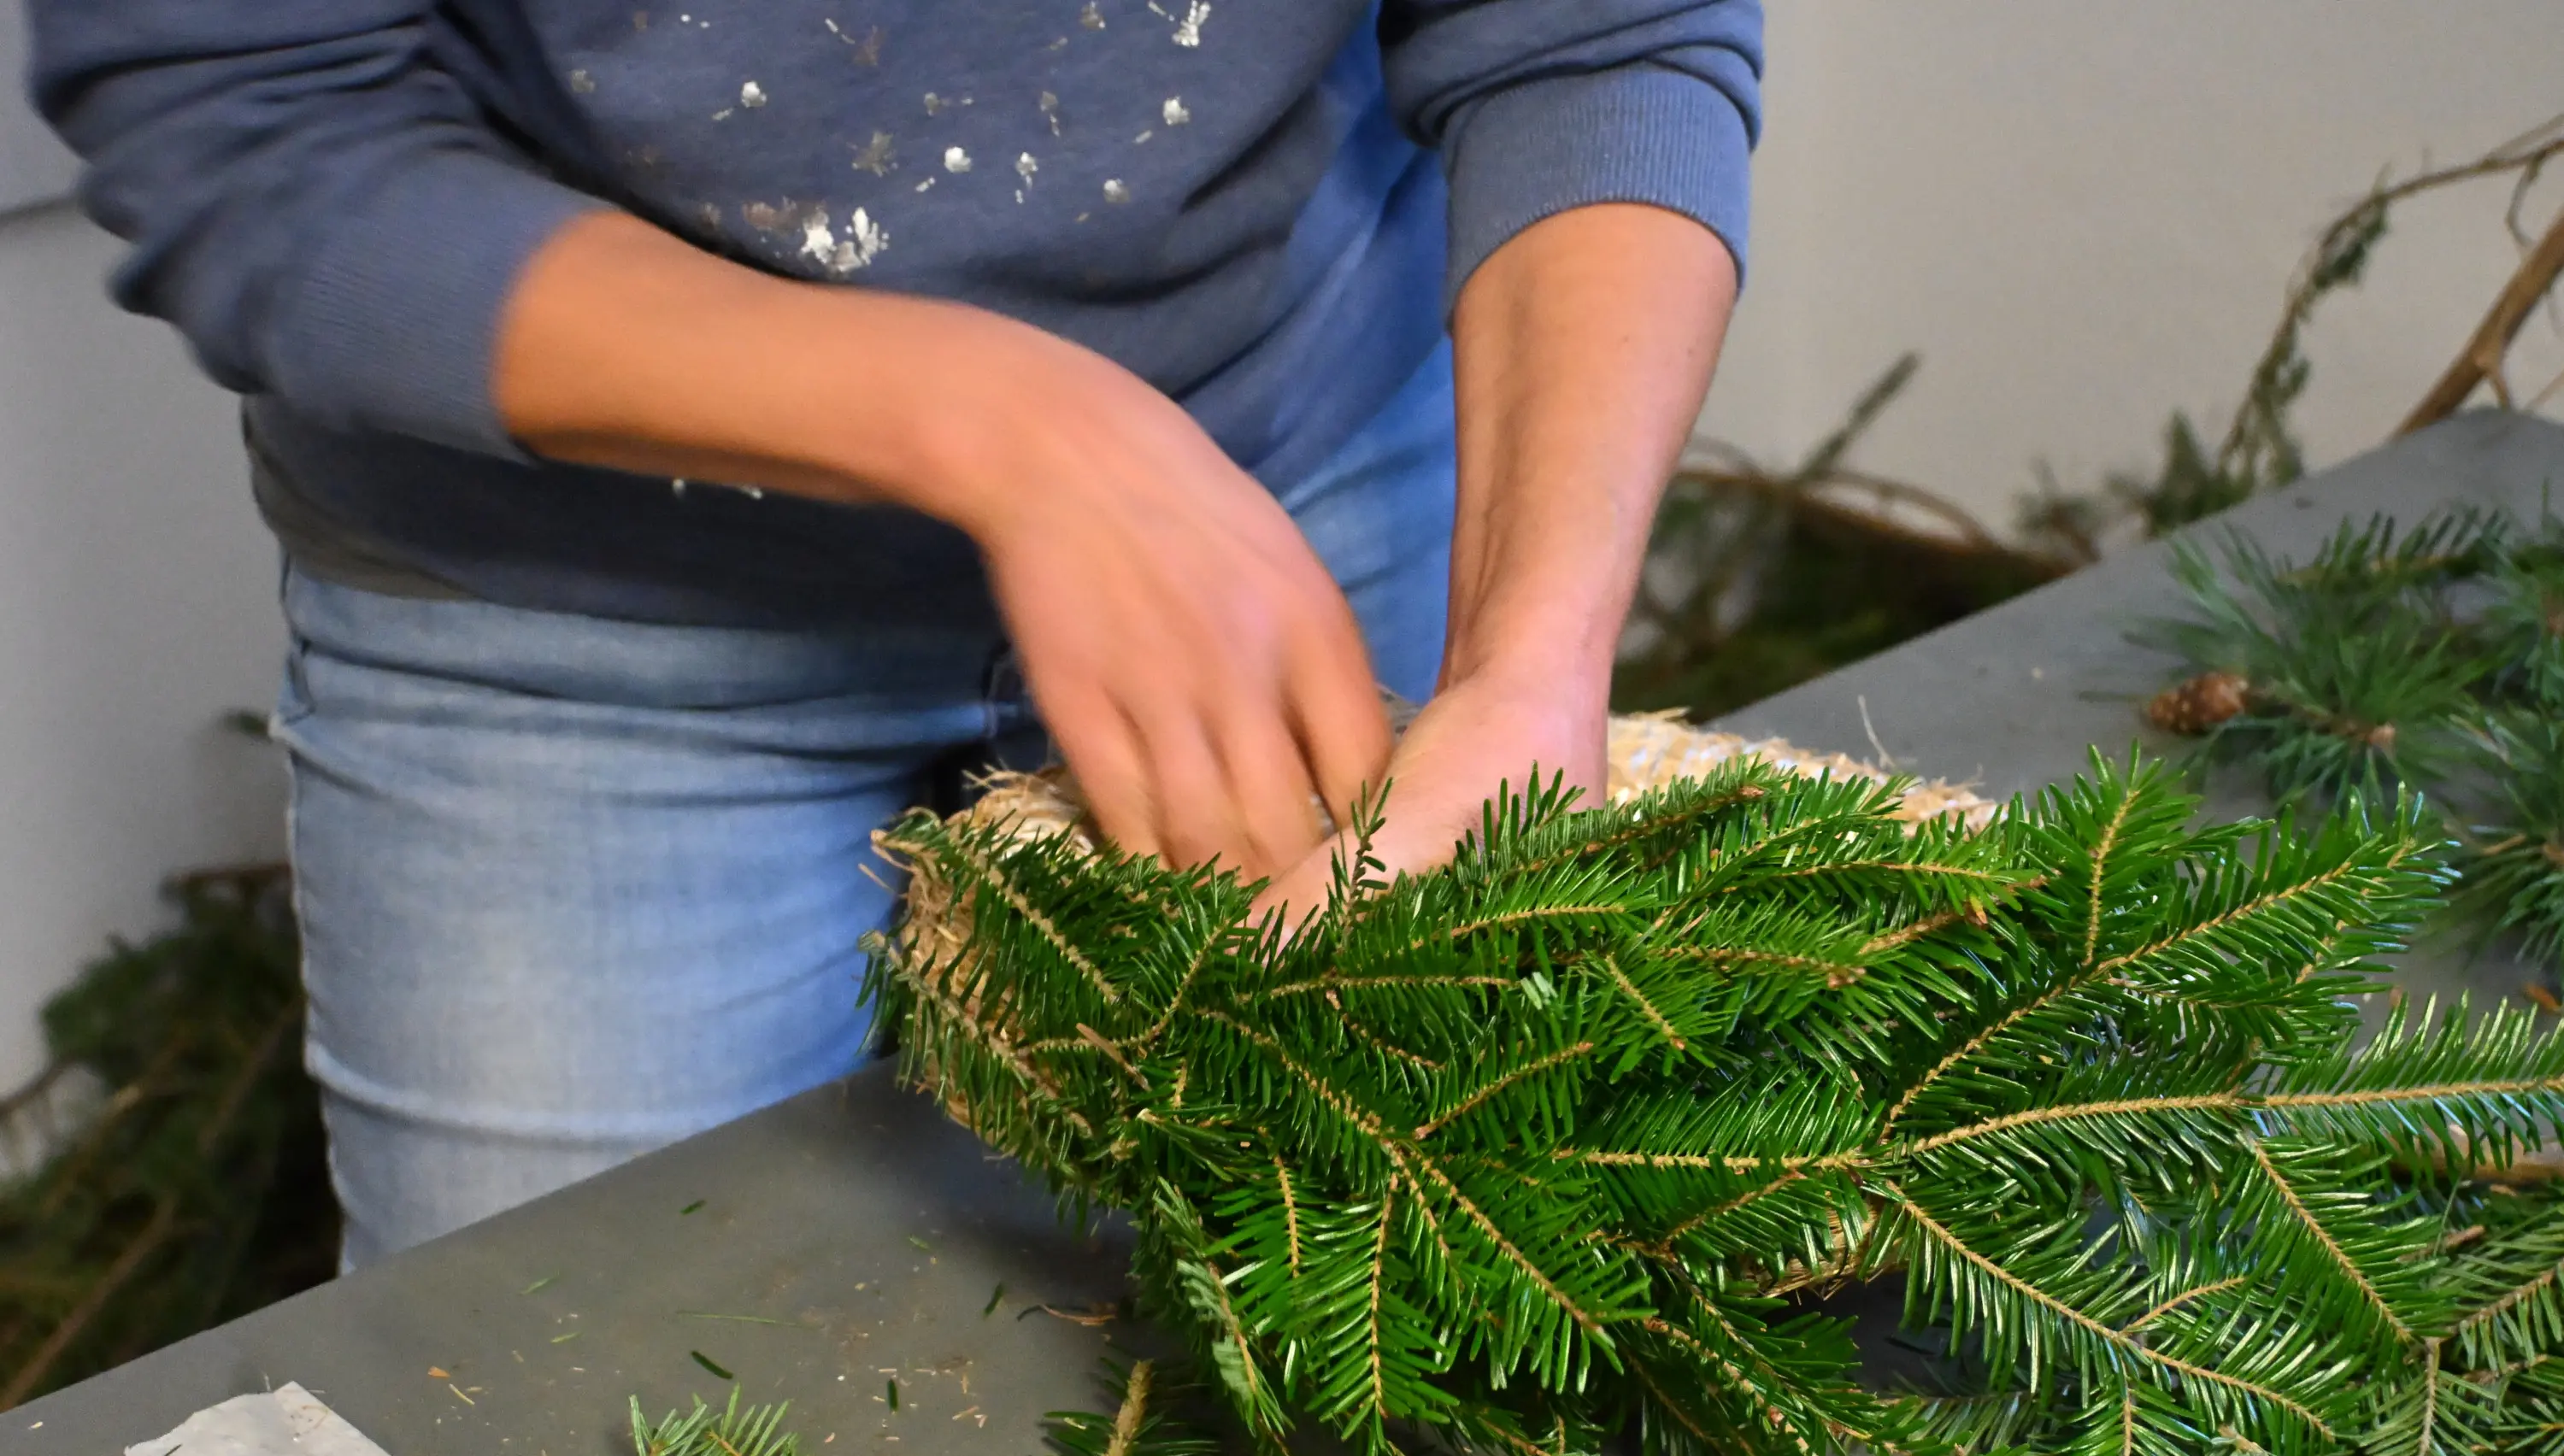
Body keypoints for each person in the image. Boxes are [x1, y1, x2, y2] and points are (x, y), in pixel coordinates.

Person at [28, 0, 1761, 1266]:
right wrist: (1028, 433)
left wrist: (1530, 661)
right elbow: (256, 129)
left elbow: (1594, 33)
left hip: (1293, 492)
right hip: (567, 617)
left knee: (1370, 1337)